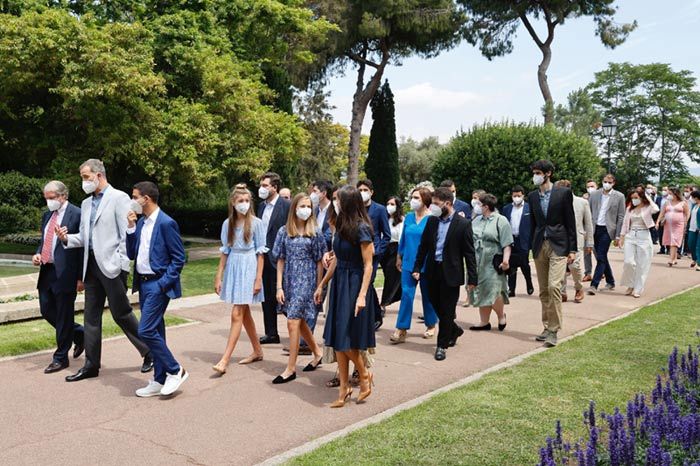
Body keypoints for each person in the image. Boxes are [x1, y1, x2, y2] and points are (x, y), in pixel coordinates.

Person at [56, 159, 151, 382]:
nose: (84, 182)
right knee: (90, 318)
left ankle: (150, 352)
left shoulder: (119, 198)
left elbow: (127, 232)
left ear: (99, 175)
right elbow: (85, 237)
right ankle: (91, 365)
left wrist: (120, 263)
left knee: (122, 314)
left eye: (86, 177)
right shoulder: (87, 204)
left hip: (112, 267)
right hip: (91, 268)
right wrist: (66, 238)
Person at [314, 185, 376, 408]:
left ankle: (364, 375)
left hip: (355, 283)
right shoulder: (340, 226)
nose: (334, 203)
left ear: (347, 202)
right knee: (337, 340)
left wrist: (361, 296)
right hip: (340, 282)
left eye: (337, 200)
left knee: (345, 338)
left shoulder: (362, 229)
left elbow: (369, 266)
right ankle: (344, 387)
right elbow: (337, 260)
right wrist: (322, 284)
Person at [126, 182, 188, 397]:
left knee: (145, 330)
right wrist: (131, 228)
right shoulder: (141, 222)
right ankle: (159, 379)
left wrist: (164, 283)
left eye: (135, 197)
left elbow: (179, 258)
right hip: (143, 283)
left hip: (158, 283)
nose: (132, 201)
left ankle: (175, 369)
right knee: (156, 330)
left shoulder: (166, 223)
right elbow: (132, 253)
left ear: (147, 198)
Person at [413, 187, 478, 361]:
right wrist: (417, 267)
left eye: (436, 203)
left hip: (452, 272)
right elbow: (424, 246)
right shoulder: (432, 221)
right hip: (432, 270)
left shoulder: (463, 224)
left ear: (447, 203)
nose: (432, 206)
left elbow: (469, 253)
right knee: (435, 304)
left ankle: (441, 345)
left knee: (448, 309)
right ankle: (454, 329)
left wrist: (472, 278)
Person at [271, 193, 326, 384]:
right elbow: (280, 259)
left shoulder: (316, 232)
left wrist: (319, 286)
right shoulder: (283, 231)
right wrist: (279, 286)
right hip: (289, 280)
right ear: (294, 208)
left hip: (308, 280)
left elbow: (320, 261)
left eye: (309, 206)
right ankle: (318, 353)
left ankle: (290, 368)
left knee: (292, 322)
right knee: (299, 320)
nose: (306, 210)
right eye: (302, 206)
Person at [212, 184, 266, 374]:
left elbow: (261, 253)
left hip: (249, 265)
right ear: (233, 203)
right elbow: (225, 251)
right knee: (244, 312)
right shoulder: (228, 224)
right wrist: (219, 275)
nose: (244, 204)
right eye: (240, 201)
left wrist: (258, 278)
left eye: (246, 200)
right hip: (234, 266)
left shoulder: (257, 223)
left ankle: (224, 359)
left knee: (237, 313)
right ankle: (257, 350)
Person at [33, 181, 85, 374]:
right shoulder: (48, 215)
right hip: (47, 270)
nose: (48, 201)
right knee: (46, 310)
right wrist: (38, 253)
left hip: (66, 273)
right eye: (46, 198)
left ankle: (61, 357)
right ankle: (80, 333)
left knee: (64, 314)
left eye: (52, 197)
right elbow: (45, 241)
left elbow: (82, 247)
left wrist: (81, 277)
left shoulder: (77, 214)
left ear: (63, 196)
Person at [528, 160, 577, 348]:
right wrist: (531, 246)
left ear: (548, 173)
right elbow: (532, 223)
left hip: (559, 244)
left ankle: (554, 330)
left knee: (554, 286)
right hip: (540, 245)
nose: (536, 176)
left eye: (539, 172)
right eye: (534, 172)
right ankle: (547, 326)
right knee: (543, 290)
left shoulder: (563, 193)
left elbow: (570, 222)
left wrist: (572, 249)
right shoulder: (532, 196)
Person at [390, 187, 438, 344]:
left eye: (417, 197)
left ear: (425, 200)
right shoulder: (409, 217)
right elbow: (403, 238)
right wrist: (399, 256)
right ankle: (401, 328)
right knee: (407, 294)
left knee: (428, 295)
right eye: (412, 197)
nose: (413, 200)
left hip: (426, 263)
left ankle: (431, 324)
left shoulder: (432, 219)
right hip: (409, 262)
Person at [468, 193, 513, 332]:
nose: (476, 205)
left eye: (478, 203)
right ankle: (484, 321)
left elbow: (507, 243)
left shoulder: (501, 220)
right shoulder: (476, 220)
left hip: (493, 260)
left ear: (486, 206)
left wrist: (506, 260)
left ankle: (501, 315)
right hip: (476, 260)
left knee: (494, 289)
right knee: (480, 289)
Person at [257, 172, 291, 345]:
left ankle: (300, 334)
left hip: (280, 259)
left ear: (274, 187)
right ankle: (271, 333)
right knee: (267, 298)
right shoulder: (261, 207)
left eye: (265, 185)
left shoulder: (286, 205)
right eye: (261, 185)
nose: (261, 189)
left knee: (285, 297)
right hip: (263, 258)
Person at [357, 179, 390, 330]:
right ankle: (372, 313)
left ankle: (375, 315)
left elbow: (386, 235)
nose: (362, 193)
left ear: (371, 192)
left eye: (365, 190)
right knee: (362, 284)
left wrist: (378, 250)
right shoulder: (355, 209)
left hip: (372, 254)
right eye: (360, 190)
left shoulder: (379, 209)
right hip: (357, 253)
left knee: (368, 282)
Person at [587, 174, 626, 295]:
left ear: (613, 183)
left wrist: (618, 235)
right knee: (601, 256)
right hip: (595, 228)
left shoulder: (619, 196)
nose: (606, 184)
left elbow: (621, 216)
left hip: (608, 230)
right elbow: (588, 213)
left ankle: (594, 284)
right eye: (605, 181)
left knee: (601, 255)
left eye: (609, 182)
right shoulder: (594, 195)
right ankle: (610, 280)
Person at [556, 180, 594, 304]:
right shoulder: (555, 202)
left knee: (574, 266)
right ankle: (562, 291)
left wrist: (589, 243)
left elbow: (588, 224)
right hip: (560, 239)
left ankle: (579, 288)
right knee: (560, 266)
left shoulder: (582, 202)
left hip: (577, 238)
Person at [618, 186, 659, 299]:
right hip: (631, 235)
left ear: (642, 197)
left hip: (644, 236)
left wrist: (649, 198)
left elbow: (656, 209)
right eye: (632, 198)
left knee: (642, 264)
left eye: (636, 198)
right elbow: (625, 223)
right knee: (629, 262)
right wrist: (621, 237)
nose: (634, 200)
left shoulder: (648, 207)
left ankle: (638, 288)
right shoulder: (629, 208)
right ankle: (630, 284)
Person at [501, 186, 534, 297]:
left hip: (523, 239)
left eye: (519, 196)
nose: (516, 198)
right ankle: (511, 289)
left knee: (524, 263)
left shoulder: (529, 208)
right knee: (510, 264)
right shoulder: (507, 209)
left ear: (523, 196)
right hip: (510, 239)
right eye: (514, 196)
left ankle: (529, 283)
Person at [380, 196, 403, 314]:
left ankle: (383, 304)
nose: (389, 206)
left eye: (392, 204)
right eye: (388, 203)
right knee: (387, 275)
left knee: (391, 276)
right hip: (384, 249)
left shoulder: (402, 221)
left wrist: (400, 255)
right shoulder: (384, 218)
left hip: (396, 249)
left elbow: (401, 238)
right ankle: (395, 295)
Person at [656, 187, 690, 267]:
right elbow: (662, 213)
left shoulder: (683, 203)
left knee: (674, 241)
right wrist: (657, 222)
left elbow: (687, 213)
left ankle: (671, 259)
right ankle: (674, 259)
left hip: (679, 225)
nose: (669, 195)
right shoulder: (667, 203)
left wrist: (686, 221)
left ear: (675, 194)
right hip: (668, 225)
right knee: (670, 240)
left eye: (670, 194)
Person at [311, 180, 334, 251]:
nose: (312, 194)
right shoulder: (314, 210)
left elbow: (330, 235)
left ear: (324, 193)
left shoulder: (333, 210)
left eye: (315, 191)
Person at [582, 180, 598, 281]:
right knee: (586, 252)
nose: (590, 188)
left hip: (597, 228)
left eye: (592, 186)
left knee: (598, 253)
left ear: (597, 187)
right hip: (586, 229)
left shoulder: (601, 197)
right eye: (588, 186)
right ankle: (588, 273)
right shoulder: (584, 198)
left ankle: (601, 271)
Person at [687, 191, 700, 271]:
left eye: (692, 197)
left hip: (698, 229)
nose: (691, 199)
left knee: (698, 246)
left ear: (696, 197)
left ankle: (699, 263)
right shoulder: (694, 206)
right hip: (692, 228)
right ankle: (694, 259)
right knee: (690, 243)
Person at [657, 186, 669, 254]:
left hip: (668, 218)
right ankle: (662, 248)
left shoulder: (670, 199)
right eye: (663, 190)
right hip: (660, 217)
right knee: (660, 234)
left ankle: (668, 248)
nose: (664, 191)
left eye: (665, 190)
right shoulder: (659, 198)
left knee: (667, 234)